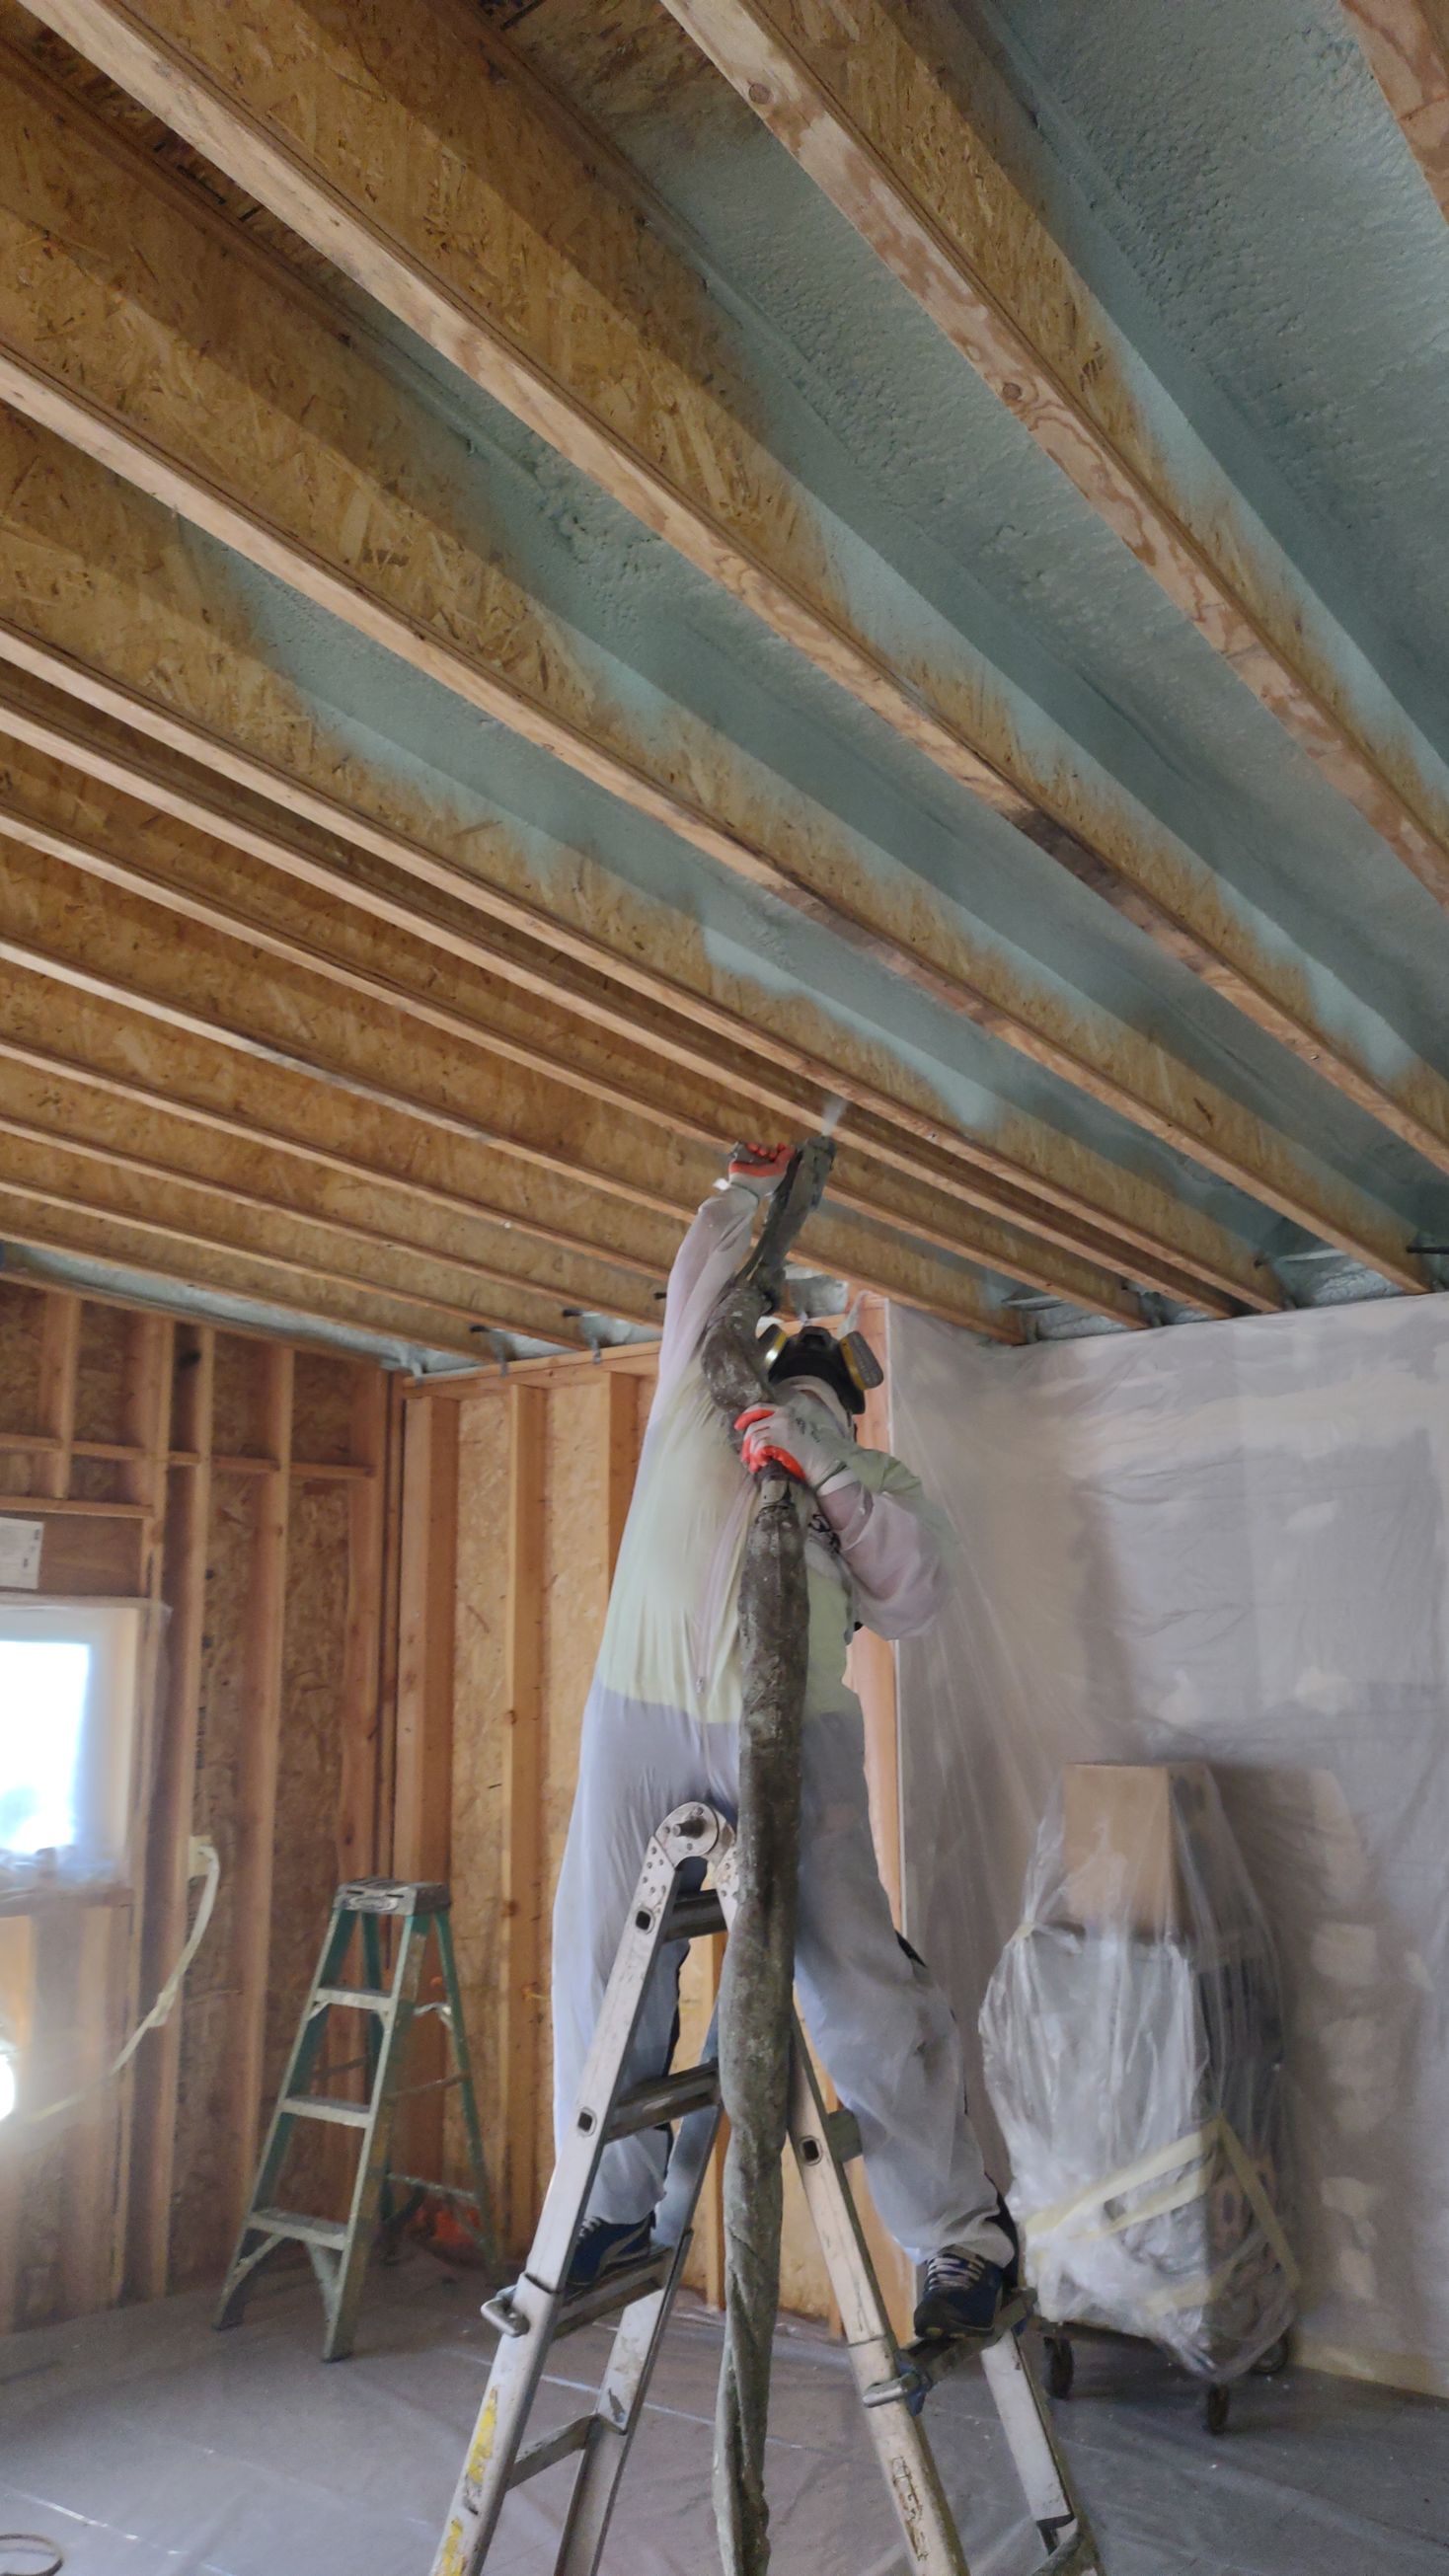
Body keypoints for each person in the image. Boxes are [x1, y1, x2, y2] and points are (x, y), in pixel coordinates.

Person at [550, 1143, 1017, 2339]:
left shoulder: (866, 1471)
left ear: (849, 1399)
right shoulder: (695, 1401)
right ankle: (606, 2209)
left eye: (825, 1377)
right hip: (640, 1708)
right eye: (792, 1358)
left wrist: (827, 1470)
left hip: (790, 1726)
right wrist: (747, 1194)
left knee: (857, 1981)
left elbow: (913, 1598)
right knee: (607, 1962)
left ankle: (961, 2244)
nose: (804, 1371)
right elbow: (706, 1271)